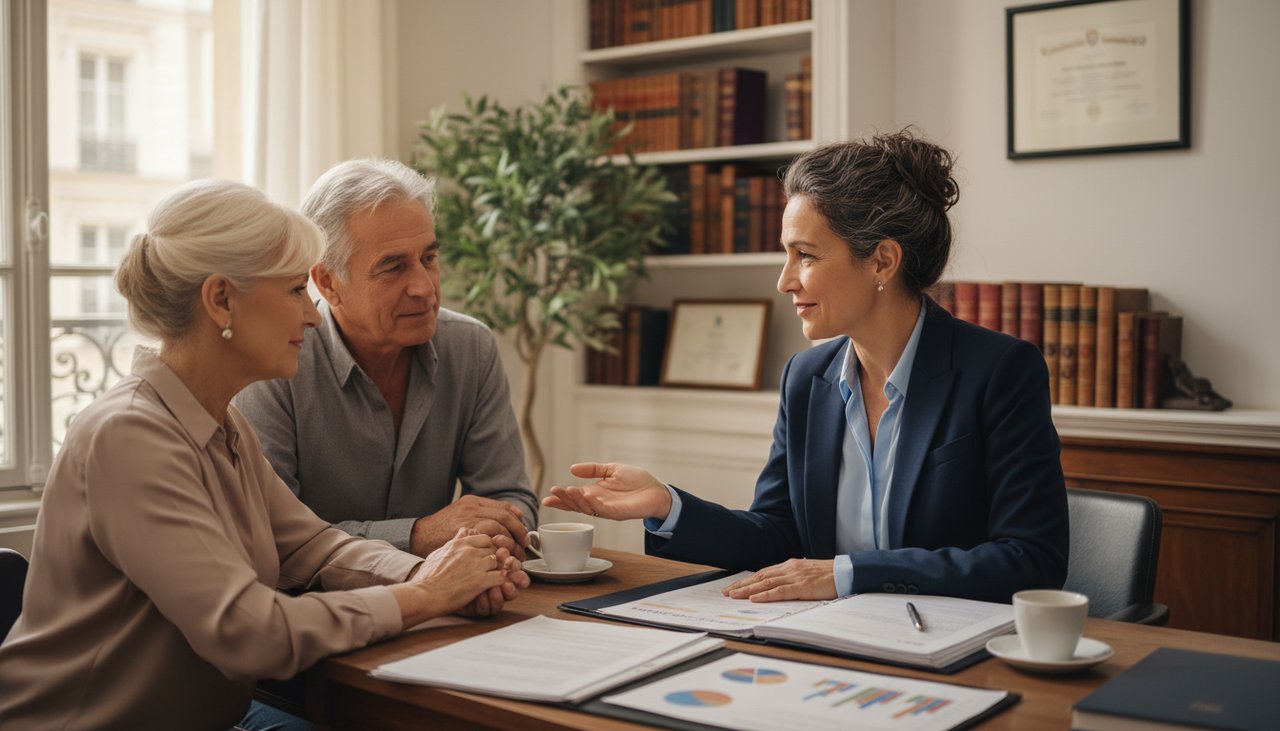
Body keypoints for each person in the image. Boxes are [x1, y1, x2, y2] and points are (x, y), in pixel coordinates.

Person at [0, 180, 529, 731]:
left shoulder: (219, 424)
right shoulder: (128, 436)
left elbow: (314, 546)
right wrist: (422, 596)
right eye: (296, 290)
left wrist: (436, 571)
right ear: (221, 299)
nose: (314, 316)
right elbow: (249, 633)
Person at [544, 129, 1069, 605]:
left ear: (883, 261)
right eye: (785, 255)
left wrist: (847, 574)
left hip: (943, 646)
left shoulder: (1000, 371)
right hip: (825, 638)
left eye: (806, 256)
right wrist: (667, 505)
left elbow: (1029, 560)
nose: (785, 280)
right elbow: (779, 534)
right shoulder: (806, 377)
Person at [234, 159, 537, 560]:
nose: (424, 287)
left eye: (429, 258)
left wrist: (490, 547)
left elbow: (510, 497)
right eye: (393, 267)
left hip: (447, 599)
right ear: (328, 282)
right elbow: (272, 535)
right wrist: (414, 536)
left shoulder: (471, 347)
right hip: (322, 609)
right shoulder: (275, 363)